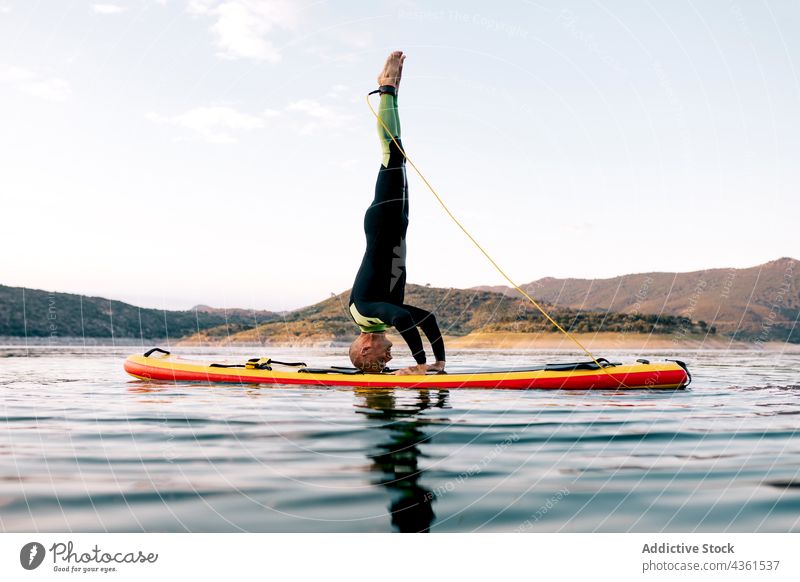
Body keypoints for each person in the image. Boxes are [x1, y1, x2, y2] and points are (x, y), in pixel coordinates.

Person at [348, 51, 446, 376]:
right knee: (397, 155)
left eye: (379, 361)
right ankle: (391, 92)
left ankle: (387, 88)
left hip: (382, 221)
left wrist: (418, 366)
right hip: (398, 222)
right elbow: (426, 320)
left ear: (365, 348)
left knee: (394, 152)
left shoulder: (364, 313)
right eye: (386, 365)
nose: (388, 361)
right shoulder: (382, 314)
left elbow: (403, 320)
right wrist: (437, 364)